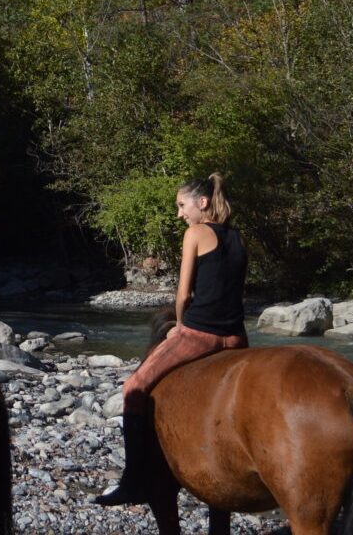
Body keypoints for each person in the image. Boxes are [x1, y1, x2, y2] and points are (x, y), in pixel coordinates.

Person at [94, 173, 247, 508]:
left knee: (133, 387)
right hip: (236, 337)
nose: (180, 214)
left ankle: (133, 480)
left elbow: (183, 293)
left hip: (201, 334)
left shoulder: (195, 232)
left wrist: (179, 324)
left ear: (202, 203)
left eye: (182, 205)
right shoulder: (236, 237)